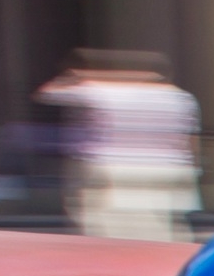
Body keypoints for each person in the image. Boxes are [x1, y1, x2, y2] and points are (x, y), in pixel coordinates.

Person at [35, 51, 201, 242]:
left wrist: (84, 77)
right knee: (161, 224)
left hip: (115, 167)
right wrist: (192, 169)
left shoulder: (100, 90)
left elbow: (48, 93)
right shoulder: (181, 97)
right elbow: (190, 139)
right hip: (168, 167)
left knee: (108, 223)